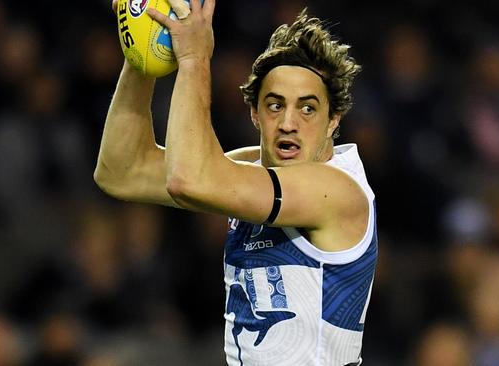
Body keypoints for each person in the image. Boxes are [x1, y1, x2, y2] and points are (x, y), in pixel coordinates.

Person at [94, 0, 378, 364]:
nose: (289, 122)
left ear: (334, 120)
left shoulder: (337, 191)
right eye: (275, 105)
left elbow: (188, 179)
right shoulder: (248, 172)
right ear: (254, 115)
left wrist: (195, 59)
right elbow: (121, 171)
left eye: (308, 108)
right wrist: (144, 53)